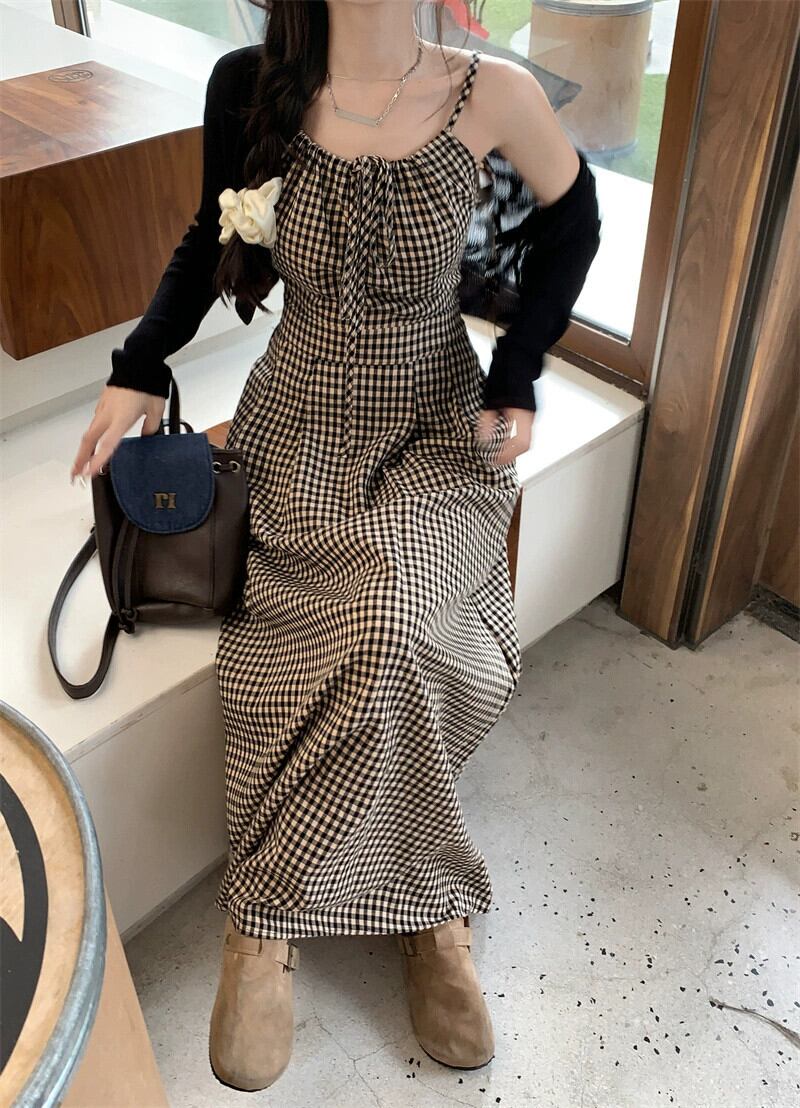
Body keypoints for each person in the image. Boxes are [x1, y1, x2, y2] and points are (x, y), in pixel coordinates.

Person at [70, 0, 600, 1093]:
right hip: (298, 420)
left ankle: (290, 913)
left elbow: (574, 218)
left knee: (393, 618)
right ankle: (415, 911)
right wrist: (138, 365)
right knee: (332, 633)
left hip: (432, 425)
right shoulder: (250, 85)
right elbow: (210, 239)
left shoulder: (490, 92)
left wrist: (516, 376)